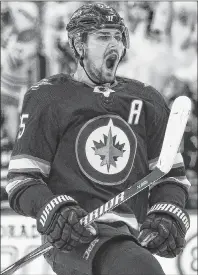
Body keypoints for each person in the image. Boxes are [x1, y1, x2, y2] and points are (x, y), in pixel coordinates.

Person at [6, 3, 191, 275]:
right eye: (104, 37)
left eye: (119, 36)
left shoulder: (147, 100)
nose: (114, 44)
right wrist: (53, 210)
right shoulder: (48, 97)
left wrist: (166, 211)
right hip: (75, 239)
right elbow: (22, 180)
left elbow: (170, 176)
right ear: (79, 45)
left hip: (129, 237)